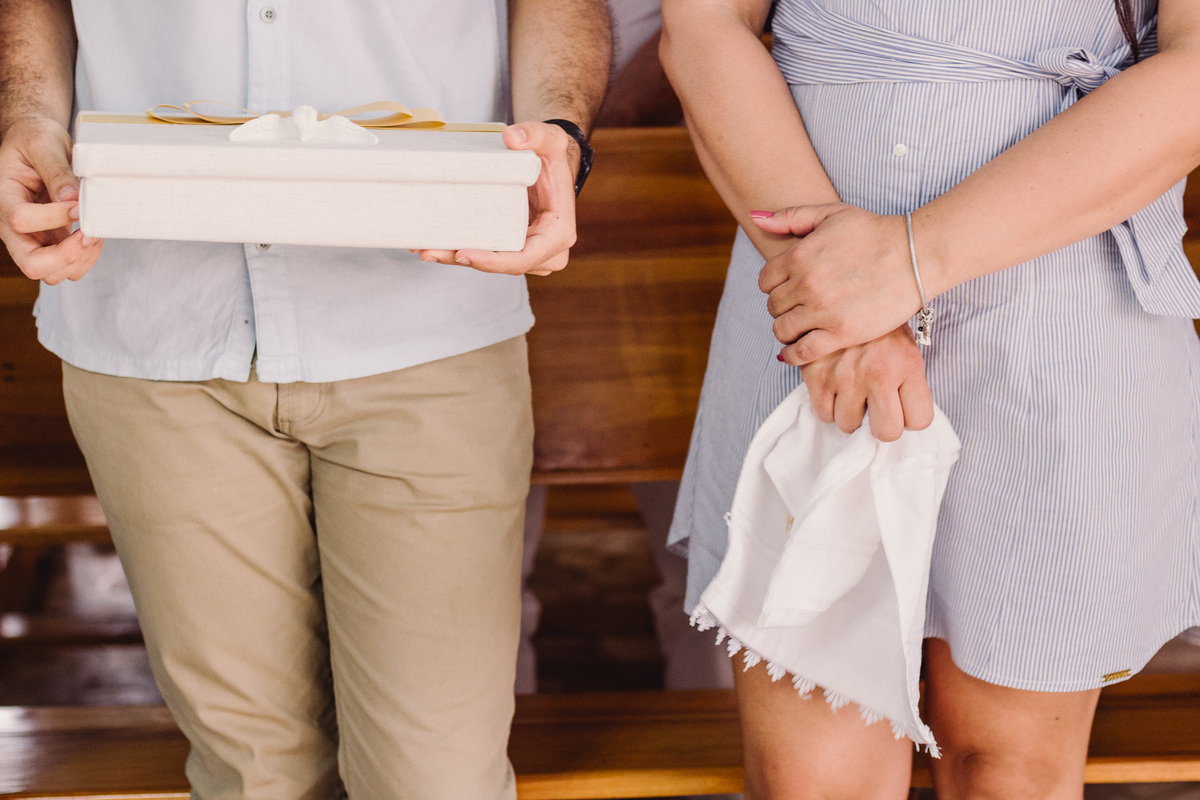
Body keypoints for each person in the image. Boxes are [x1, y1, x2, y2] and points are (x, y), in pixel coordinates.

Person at [0, 1, 609, 798]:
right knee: (252, 776)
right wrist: (26, 115)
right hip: (152, 314)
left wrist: (557, 134)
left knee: (436, 781)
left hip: (427, 315)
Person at [660, 0, 1200, 797]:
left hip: (1060, 283)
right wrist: (833, 303)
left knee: (1009, 769)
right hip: (803, 299)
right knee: (813, 778)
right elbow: (703, 27)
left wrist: (905, 264)